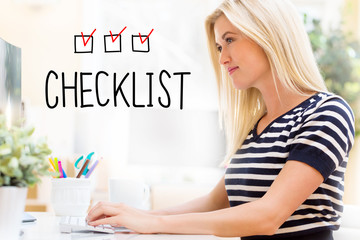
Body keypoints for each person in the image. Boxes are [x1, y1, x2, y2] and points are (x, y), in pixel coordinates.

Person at [86, 0, 355, 239]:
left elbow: (268, 216)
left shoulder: (326, 112)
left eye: (229, 40)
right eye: (218, 46)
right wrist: (138, 216)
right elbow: (216, 202)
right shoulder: (256, 127)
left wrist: (153, 222)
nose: (222, 58)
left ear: (268, 35)